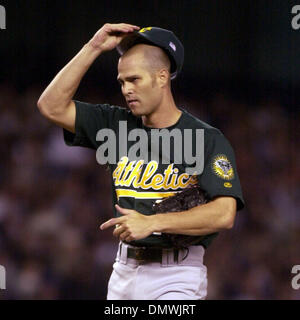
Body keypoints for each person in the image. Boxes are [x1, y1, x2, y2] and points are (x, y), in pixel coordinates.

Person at [37, 23, 244, 300]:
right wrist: (93, 48)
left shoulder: (205, 138)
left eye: (135, 79)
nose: (126, 89)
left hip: (177, 274)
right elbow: (50, 106)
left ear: (162, 77)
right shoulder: (114, 124)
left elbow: (224, 213)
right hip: (123, 272)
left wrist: (154, 222)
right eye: (122, 82)